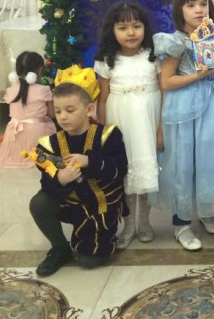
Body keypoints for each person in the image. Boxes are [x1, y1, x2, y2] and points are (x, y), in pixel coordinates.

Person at [154, 0, 214, 250]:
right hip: (186, 108)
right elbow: (166, 82)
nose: (198, 10)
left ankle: (207, 211)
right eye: (191, 5)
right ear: (179, 10)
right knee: (184, 163)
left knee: (213, 158)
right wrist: (198, 75)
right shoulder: (177, 42)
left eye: (203, 3)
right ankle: (181, 224)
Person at [28, 66, 128, 277]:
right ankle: (60, 248)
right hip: (71, 202)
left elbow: (119, 170)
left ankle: (103, 231)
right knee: (39, 202)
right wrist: (60, 179)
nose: (63, 117)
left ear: (89, 109)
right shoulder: (49, 144)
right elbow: (45, 183)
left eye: (70, 110)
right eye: (58, 111)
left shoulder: (107, 135)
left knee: (88, 260)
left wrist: (90, 162)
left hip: (101, 205)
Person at [94, 1, 161, 249]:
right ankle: (129, 223)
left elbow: (164, 93)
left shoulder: (154, 56)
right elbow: (102, 98)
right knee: (126, 174)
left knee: (145, 173)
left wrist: (161, 129)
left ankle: (144, 221)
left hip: (148, 119)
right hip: (120, 120)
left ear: (145, 28)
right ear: (112, 31)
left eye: (136, 26)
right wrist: (102, 132)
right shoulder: (106, 61)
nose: (131, 33)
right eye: (123, 27)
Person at [0, 51, 56, 169]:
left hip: (13, 132)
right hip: (37, 133)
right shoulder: (44, 89)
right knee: (48, 124)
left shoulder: (11, 90)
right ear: (40, 70)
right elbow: (52, 114)